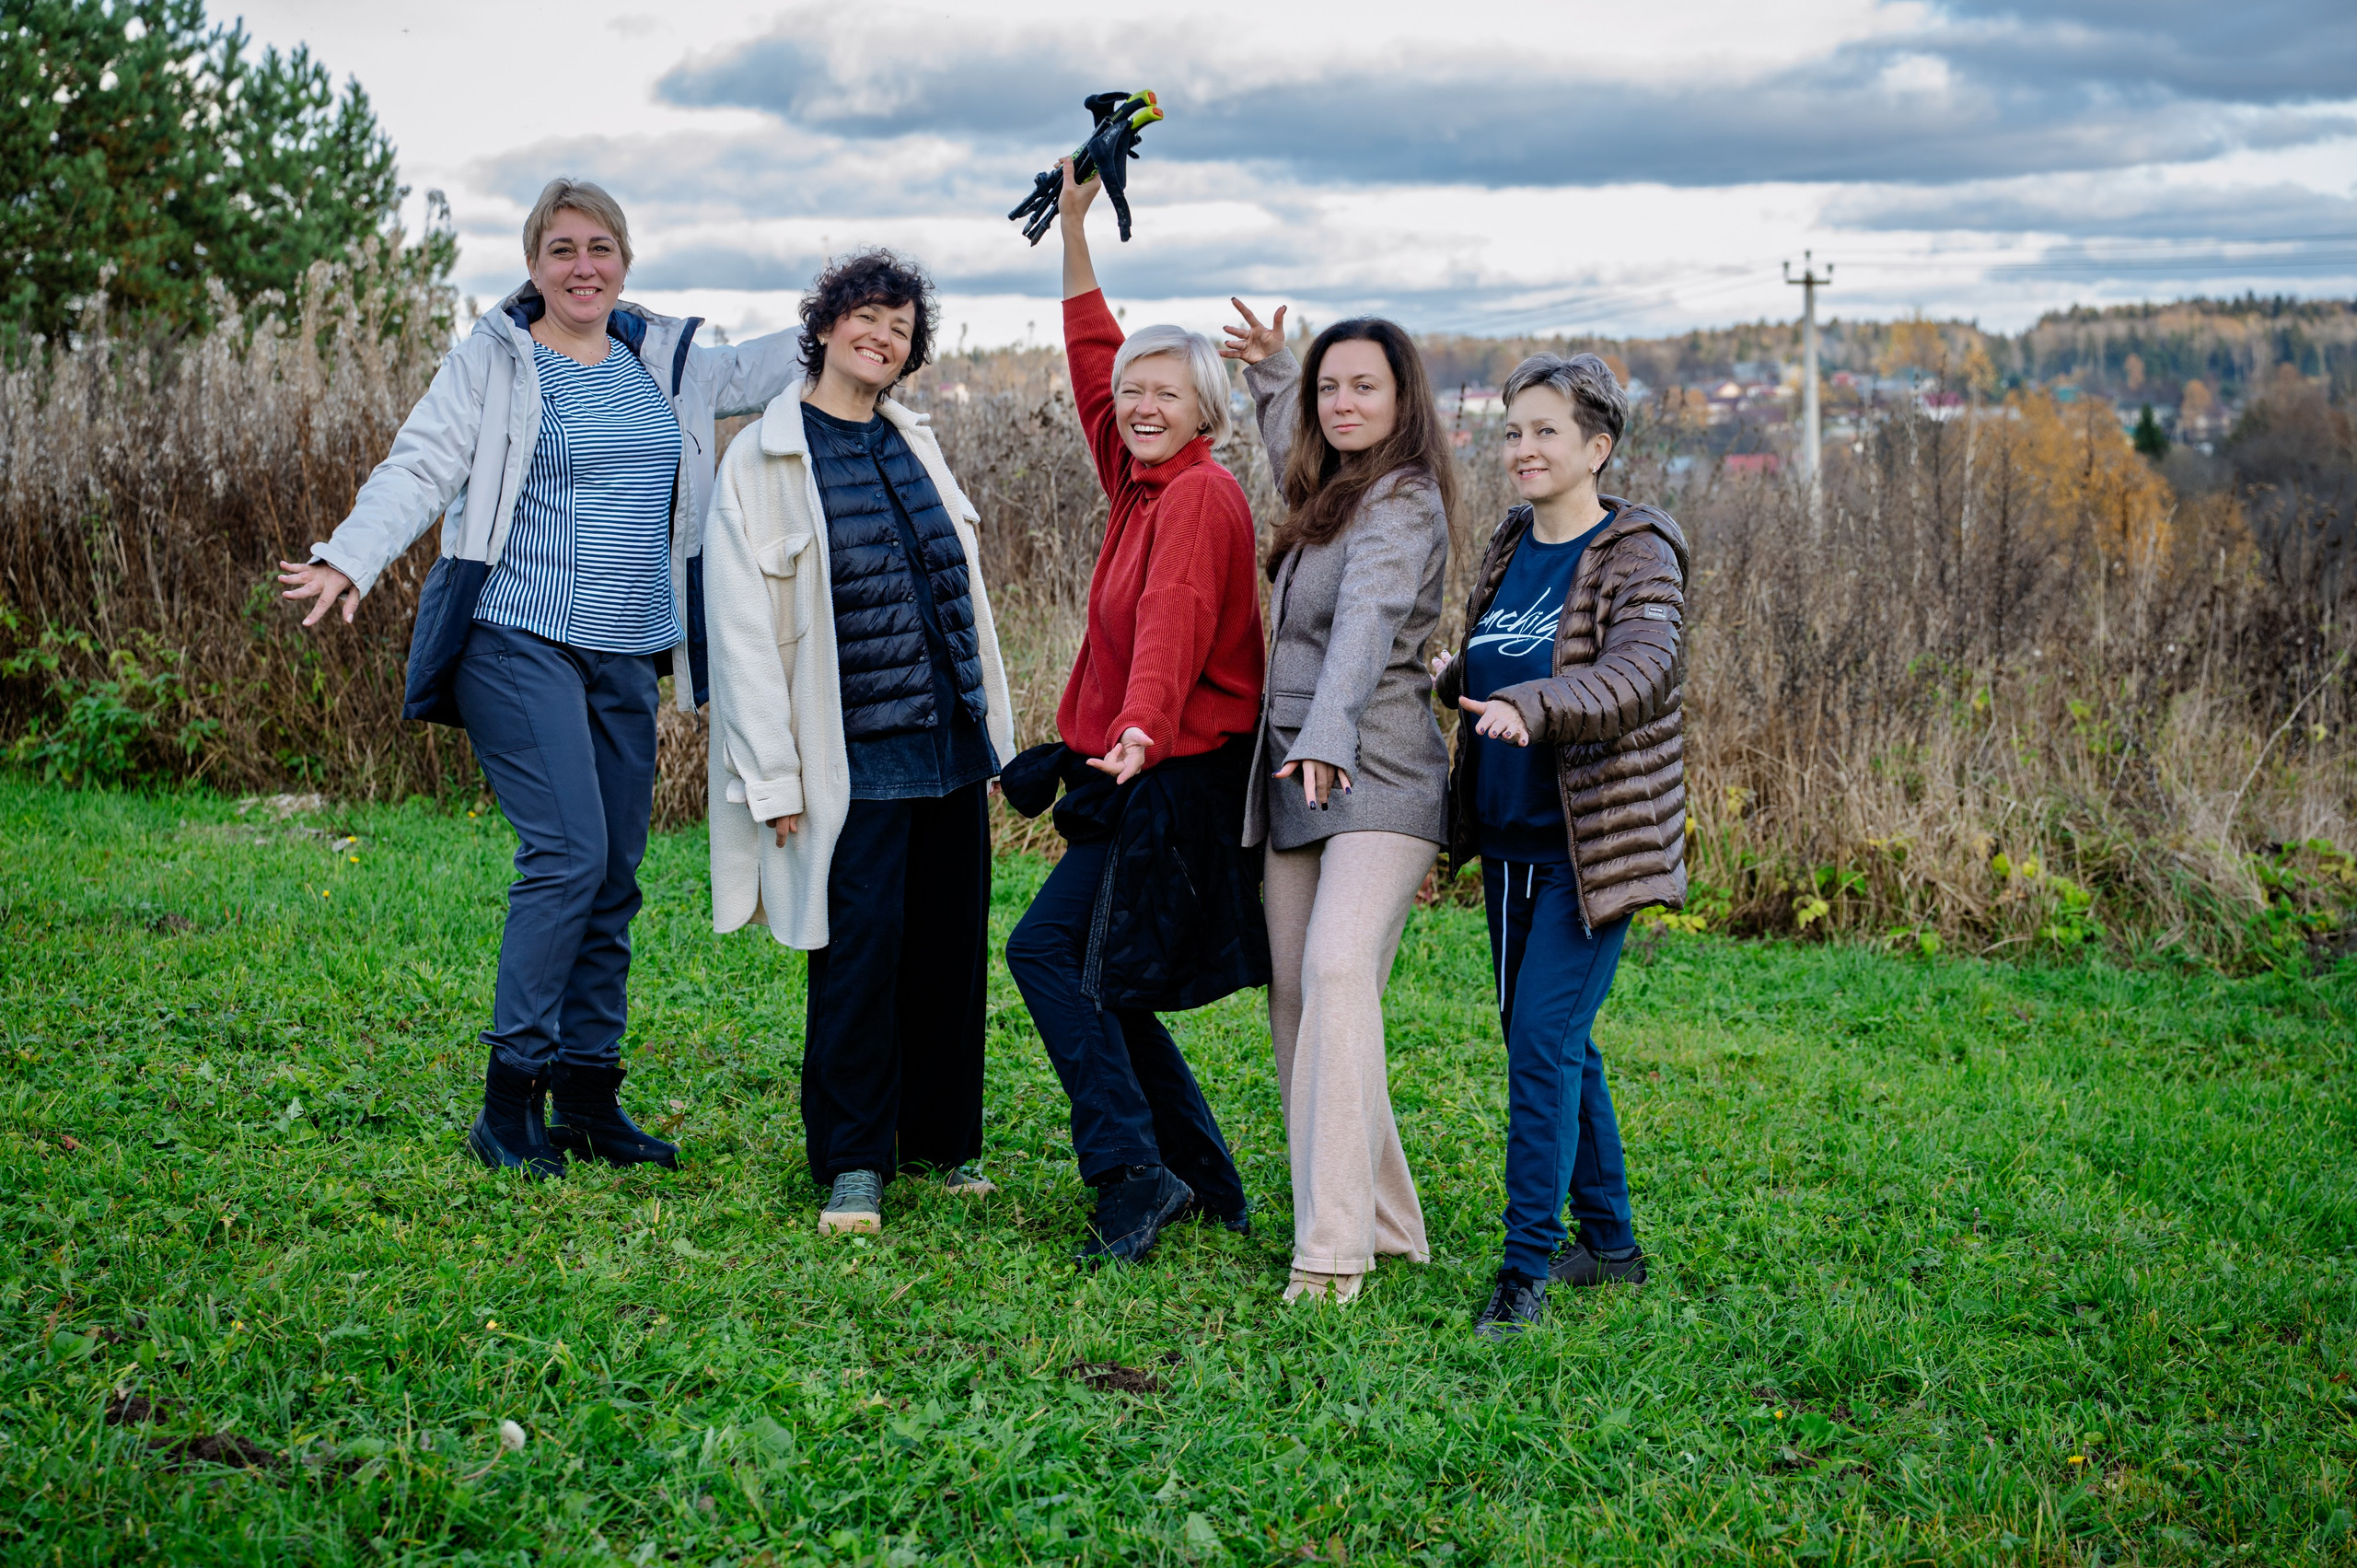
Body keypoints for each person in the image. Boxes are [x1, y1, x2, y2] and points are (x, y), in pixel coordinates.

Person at [280, 179, 802, 1179]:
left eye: (600, 246)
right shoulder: (497, 359)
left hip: (624, 648)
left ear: (625, 261)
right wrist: (352, 553)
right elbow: (423, 460)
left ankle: (589, 1095)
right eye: (560, 248)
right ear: (532, 265)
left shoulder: (666, 359)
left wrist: (856, 306)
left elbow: (770, 365)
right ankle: (507, 1102)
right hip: (515, 634)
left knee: (611, 873)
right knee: (566, 853)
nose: (582, 266)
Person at [701, 250, 1016, 1236]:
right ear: (827, 323)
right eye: (868, 318)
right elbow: (744, 630)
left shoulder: (916, 442)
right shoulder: (761, 458)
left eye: (902, 328)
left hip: (951, 747)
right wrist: (773, 775)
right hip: (855, 758)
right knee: (858, 959)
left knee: (949, 956)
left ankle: (941, 1144)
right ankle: (852, 1161)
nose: (883, 338)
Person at [1002, 159, 1269, 1266]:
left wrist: (1133, 735)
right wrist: (1073, 232)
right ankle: (1201, 1176)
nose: (1140, 403)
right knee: (1099, 965)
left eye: (1167, 392)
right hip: (1135, 761)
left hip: (1168, 773)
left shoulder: (1198, 496)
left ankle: (1131, 1173)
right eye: (1135, 393)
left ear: (1205, 406)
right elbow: (1092, 360)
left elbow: (1173, 625)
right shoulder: (1140, 481)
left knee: (1049, 950)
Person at [1431, 353, 1689, 1339]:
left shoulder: (1637, 550)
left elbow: (1639, 671)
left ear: (1597, 446)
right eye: (1512, 431)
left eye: (1545, 430)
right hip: (1505, 841)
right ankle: (1612, 1246)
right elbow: (1494, 660)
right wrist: (1450, 675)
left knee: (1540, 1042)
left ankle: (1524, 1269)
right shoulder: (1508, 540)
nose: (1523, 448)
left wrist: (1533, 705)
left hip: (1592, 850)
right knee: (1548, 1040)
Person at [1220, 301, 1454, 1304]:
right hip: (1294, 780)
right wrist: (1276, 372)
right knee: (1298, 999)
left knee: (1338, 965)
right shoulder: (1330, 492)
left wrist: (1325, 729)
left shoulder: (1404, 502)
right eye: (1330, 387)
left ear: (1402, 401)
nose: (1344, 402)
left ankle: (1332, 1251)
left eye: (1365, 385)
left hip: (1381, 772)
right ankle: (1391, 1220)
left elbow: (1366, 622)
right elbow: (1296, 450)